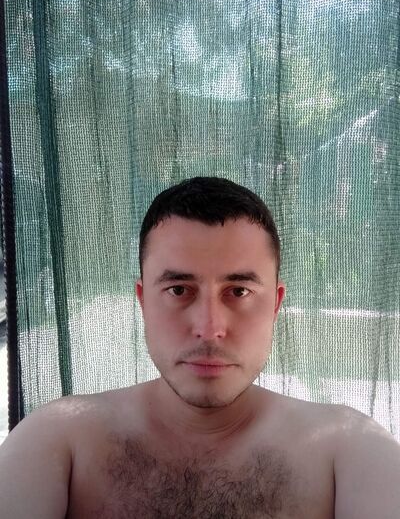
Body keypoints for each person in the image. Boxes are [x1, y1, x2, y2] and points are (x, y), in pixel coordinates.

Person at [0, 176, 399, 519]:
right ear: (143, 301)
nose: (209, 329)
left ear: (275, 305)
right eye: (178, 290)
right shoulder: (58, 442)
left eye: (238, 291)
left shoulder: (347, 450)